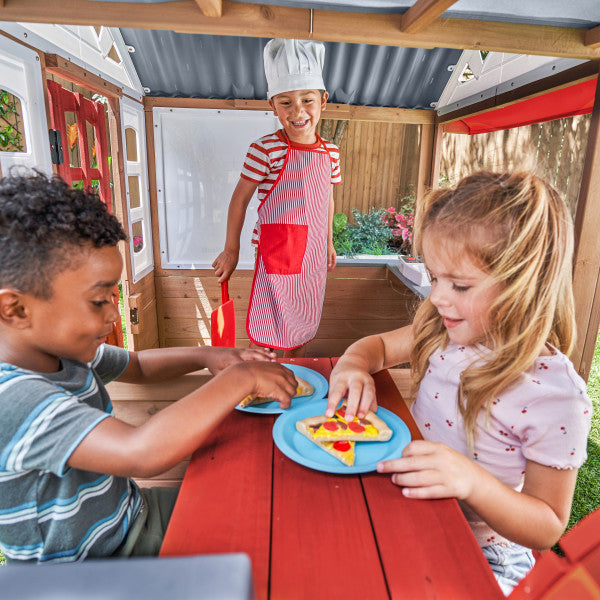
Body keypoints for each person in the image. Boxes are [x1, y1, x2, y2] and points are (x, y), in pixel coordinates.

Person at [0, 171, 297, 563]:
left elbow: (138, 365)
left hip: (131, 517)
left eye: (113, 296)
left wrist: (208, 356)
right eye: (98, 301)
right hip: (97, 570)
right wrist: (240, 379)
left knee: (259, 504)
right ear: (16, 309)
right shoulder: (13, 397)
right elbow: (141, 453)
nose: (112, 314)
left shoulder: (62, 354)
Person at [326, 171, 592, 595]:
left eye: (459, 285)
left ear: (524, 284)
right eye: (434, 278)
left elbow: (547, 526)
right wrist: (353, 365)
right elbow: (375, 346)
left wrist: (471, 481)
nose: (437, 297)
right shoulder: (444, 328)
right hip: (412, 506)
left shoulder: (555, 397)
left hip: (485, 552)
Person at [212, 38, 341, 358]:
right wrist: (231, 250)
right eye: (285, 102)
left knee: (301, 325)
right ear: (273, 106)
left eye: (307, 100)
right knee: (268, 326)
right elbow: (240, 199)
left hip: (312, 253)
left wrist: (329, 242)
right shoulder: (265, 149)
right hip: (276, 252)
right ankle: (263, 384)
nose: (298, 111)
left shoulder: (332, 153)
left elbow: (327, 199)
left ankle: (291, 380)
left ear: (323, 100)